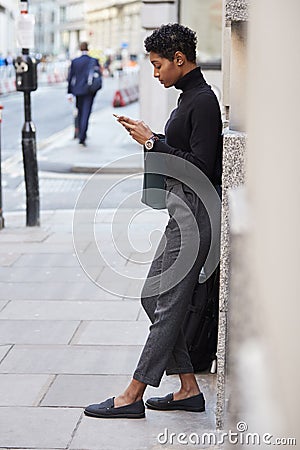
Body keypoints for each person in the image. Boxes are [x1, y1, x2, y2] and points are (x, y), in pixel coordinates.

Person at [84, 23, 222, 419]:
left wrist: (151, 142)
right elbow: (187, 149)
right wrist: (153, 138)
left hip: (196, 213)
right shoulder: (188, 97)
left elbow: (201, 165)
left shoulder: (203, 101)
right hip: (182, 211)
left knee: (168, 303)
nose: (155, 72)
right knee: (152, 295)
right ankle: (189, 389)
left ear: (180, 60)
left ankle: (133, 393)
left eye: (159, 64)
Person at [67, 42, 100, 147]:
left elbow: (70, 77)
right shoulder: (94, 60)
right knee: (86, 113)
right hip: (90, 91)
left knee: (80, 112)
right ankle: (82, 136)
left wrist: (69, 92)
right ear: (88, 48)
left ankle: (80, 134)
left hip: (78, 91)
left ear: (80, 49)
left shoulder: (75, 61)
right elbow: (98, 75)